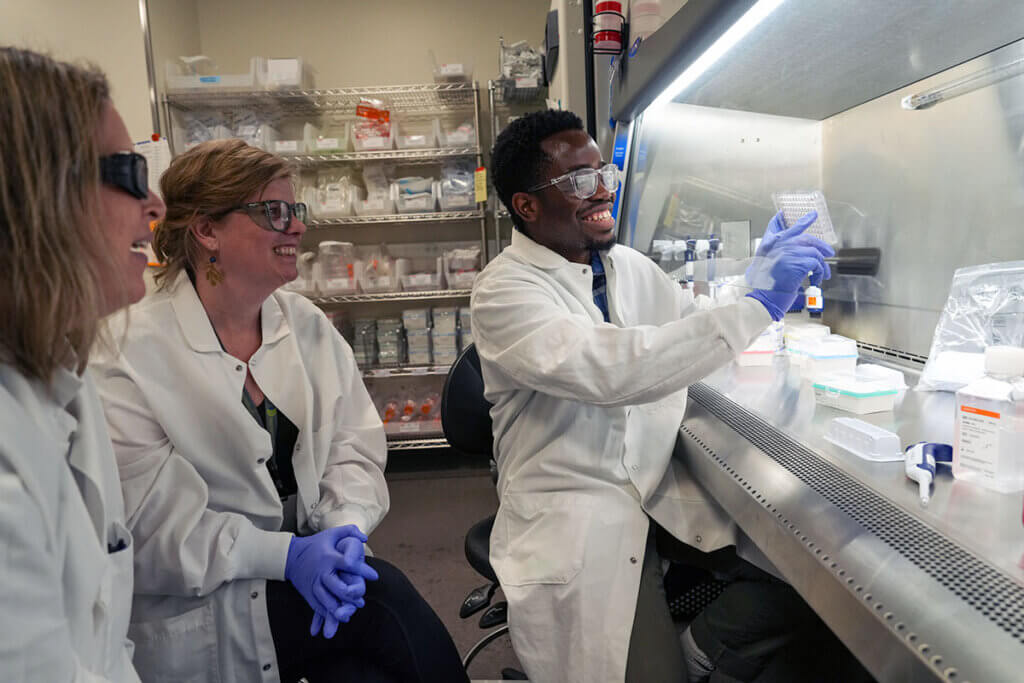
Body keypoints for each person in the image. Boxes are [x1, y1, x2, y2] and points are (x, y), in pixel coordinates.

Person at [472, 110, 834, 683]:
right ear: (527, 207)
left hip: (650, 490)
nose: (602, 193)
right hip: (578, 514)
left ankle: (699, 648)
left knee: (808, 580)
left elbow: (691, 323)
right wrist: (758, 305)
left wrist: (755, 280)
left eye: (603, 173)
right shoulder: (503, 292)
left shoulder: (626, 267)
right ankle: (686, 658)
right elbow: (612, 368)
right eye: (578, 181)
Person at [90, 139, 468, 683]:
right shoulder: (128, 349)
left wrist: (345, 530)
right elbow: (151, 528)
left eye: (296, 211)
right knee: (389, 610)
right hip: (207, 601)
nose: (295, 228)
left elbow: (353, 448)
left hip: (310, 581)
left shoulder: (306, 325)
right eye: (273, 212)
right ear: (206, 229)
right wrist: (286, 556)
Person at [0, 47, 166, 680]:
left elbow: (103, 636)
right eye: (128, 172)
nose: (154, 206)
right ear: (36, 193)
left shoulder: (63, 379)